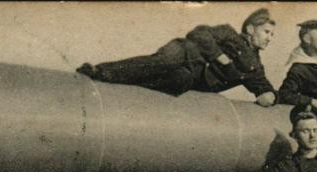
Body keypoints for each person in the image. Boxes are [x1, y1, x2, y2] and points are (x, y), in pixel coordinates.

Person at [76, 8, 277, 105]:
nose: (269, 38)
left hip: (192, 76)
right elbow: (199, 34)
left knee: (180, 79)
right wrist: (219, 56)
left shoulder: (255, 67)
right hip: (186, 52)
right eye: (266, 32)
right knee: (165, 62)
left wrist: (271, 96)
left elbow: (265, 88)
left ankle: (121, 91)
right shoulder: (228, 33)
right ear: (250, 29)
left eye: (272, 34)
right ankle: (99, 72)